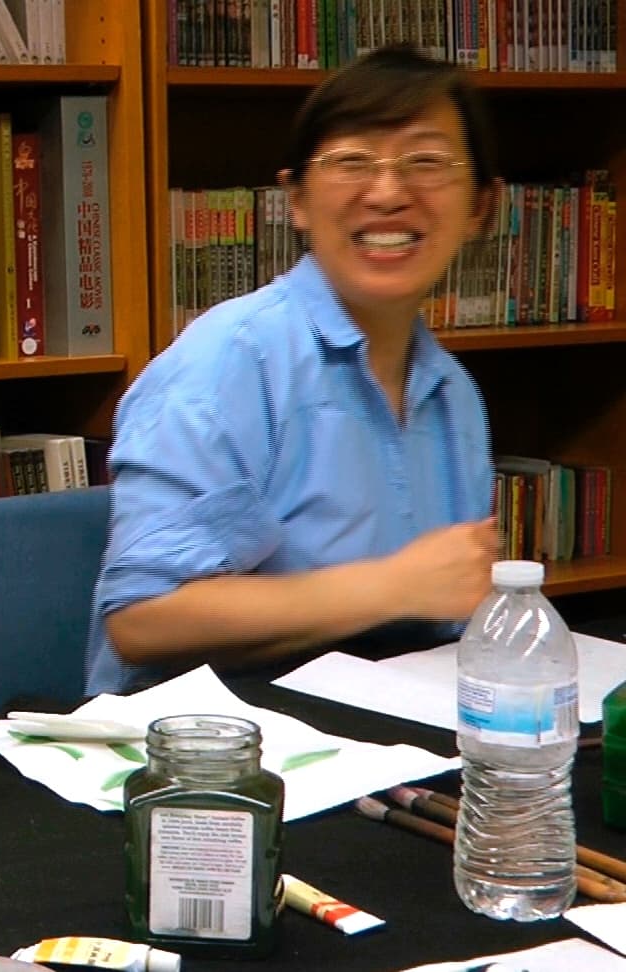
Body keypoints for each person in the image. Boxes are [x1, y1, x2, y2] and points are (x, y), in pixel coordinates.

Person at [85, 45, 501, 696]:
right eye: (352, 161)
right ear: (297, 200)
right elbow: (142, 617)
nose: (389, 192)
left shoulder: (454, 396)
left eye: (426, 161)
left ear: (481, 206)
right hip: (215, 756)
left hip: (390, 737)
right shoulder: (232, 363)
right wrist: (391, 586)